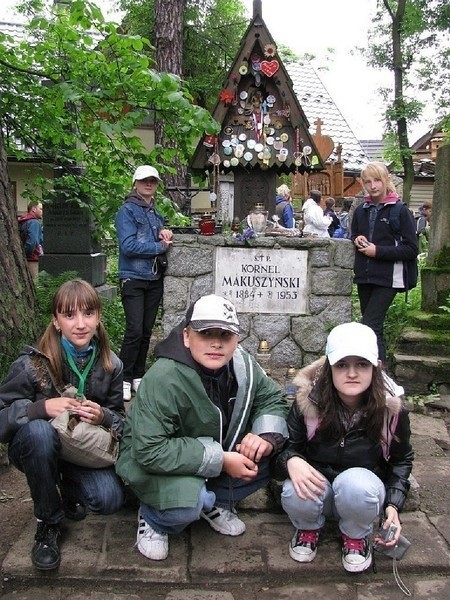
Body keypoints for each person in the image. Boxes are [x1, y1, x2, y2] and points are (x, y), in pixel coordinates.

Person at [116, 294, 289, 561]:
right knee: (188, 505)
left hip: (210, 456)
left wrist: (264, 437)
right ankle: (154, 517)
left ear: (237, 339)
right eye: (206, 334)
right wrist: (221, 460)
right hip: (155, 463)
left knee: (276, 453)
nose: (216, 343)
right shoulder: (164, 377)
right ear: (187, 336)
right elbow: (150, 450)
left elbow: (271, 398)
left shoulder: (243, 365)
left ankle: (215, 501)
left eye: (225, 335)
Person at [0, 279, 125, 571]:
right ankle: (48, 524)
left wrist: (103, 416)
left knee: (110, 500)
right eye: (69, 315)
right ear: (56, 321)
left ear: (98, 317)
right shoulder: (32, 365)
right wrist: (40, 408)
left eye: (88, 314)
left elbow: (120, 418)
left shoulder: (111, 365)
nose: (80, 324)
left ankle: (67, 485)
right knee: (40, 433)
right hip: (34, 446)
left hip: (79, 447)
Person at [276, 322, 413, 574]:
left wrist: (393, 505)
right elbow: (285, 449)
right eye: (342, 365)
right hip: (318, 490)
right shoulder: (308, 402)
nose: (352, 373)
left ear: (375, 367)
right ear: (330, 368)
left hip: (362, 493)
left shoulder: (390, 410)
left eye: (361, 364)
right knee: (293, 490)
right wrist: (291, 460)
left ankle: (356, 535)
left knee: (355, 484)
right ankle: (308, 527)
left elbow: (401, 460)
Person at [115, 165, 173, 402]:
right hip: (134, 278)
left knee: (147, 331)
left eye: (153, 181)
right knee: (134, 330)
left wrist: (164, 233)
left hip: (153, 278)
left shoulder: (154, 212)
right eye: (144, 181)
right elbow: (128, 246)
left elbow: (157, 235)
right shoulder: (126, 211)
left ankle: (138, 374)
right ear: (135, 183)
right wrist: (159, 247)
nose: (148, 184)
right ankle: (123, 379)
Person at [351, 162, 418, 364]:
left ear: (386, 180)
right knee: (372, 327)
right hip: (365, 276)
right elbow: (354, 233)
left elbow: (411, 249)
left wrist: (377, 251)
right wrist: (357, 239)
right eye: (368, 181)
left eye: (377, 180)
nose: (373, 186)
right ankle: (377, 375)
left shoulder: (400, 211)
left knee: (370, 324)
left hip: (388, 278)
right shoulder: (361, 210)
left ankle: (378, 377)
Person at [18, 200, 44, 280]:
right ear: (34, 209)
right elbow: (32, 242)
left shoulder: (22, 221)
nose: (42, 211)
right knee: (35, 284)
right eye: (41, 209)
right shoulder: (34, 222)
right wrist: (26, 254)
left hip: (23, 258)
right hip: (32, 259)